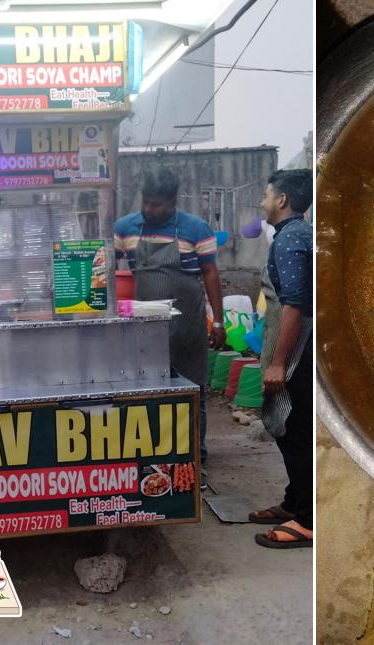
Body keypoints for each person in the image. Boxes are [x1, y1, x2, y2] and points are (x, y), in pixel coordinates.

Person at [113, 169, 225, 488]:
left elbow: (210, 274)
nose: (150, 210)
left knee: (192, 390)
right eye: (146, 203)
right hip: (145, 327)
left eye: (158, 205)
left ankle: (195, 460)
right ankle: (152, 457)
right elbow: (106, 268)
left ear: (173, 202)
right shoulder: (125, 228)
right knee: (147, 390)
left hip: (187, 324)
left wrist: (217, 320)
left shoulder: (195, 229)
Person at [250, 169, 313, 549]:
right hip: (292, 348)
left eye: (266, 194)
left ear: (282, 200)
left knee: (294, 431)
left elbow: (294, 305)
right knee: (288, 428)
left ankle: (306, 520)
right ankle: (294, 502)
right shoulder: (297, 235)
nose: (262, 201)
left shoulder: (290, 241)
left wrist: (278, 363)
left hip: (295, 351)